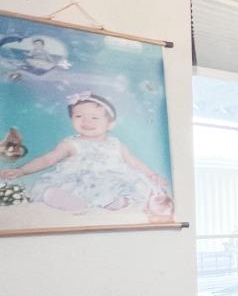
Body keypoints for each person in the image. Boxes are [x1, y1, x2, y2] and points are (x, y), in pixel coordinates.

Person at [0, 91, 172, 217]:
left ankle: (117, 203)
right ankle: (72, 203)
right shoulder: (71, 144)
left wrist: (152, 175)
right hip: (80, 181)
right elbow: (47, 159)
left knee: (137, 187)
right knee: (50, 192)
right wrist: (22, 171)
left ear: (110, 124)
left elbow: (135, 163)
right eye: (79, 116)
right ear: (72, 119)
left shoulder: (116, 144)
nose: (86, 122)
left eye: (94, 118)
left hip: (111, 181)